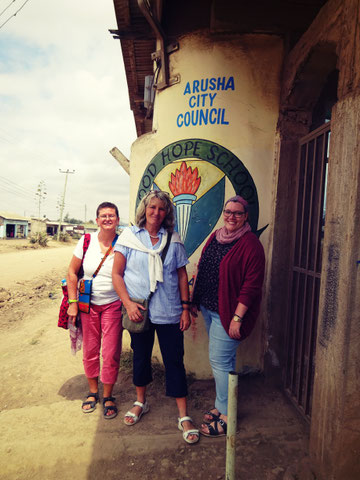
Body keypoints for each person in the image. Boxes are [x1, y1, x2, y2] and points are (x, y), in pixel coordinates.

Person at [112, 190, 199, 444]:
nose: (156, 213)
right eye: (152, 207)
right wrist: (127, 304)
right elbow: (117, 274)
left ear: (167, 213)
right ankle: (141, 401)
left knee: (174, 361)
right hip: (139, 311)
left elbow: (182, 275)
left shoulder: (173, 239)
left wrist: (185, 308)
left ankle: (183, 415)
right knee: (141, 359)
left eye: (161, 209)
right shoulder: (129, 237)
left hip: (170, 311)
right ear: (144, 209)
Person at [191, 195, 265, 437]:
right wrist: (194, 298)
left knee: (219, 362)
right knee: (225, 362)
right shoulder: (216, 236)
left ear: (245, 217)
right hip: (210, 308)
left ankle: (227, 415)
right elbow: (203, 266)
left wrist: (238, 317)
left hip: (229, 314)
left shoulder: (251, 244)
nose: (231, 216)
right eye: (228, 211)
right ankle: (222, 405)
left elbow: (251, 286)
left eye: (237, 213)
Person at [66, 202, 122, 419]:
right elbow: (72, 272)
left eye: (111, 215)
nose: (107, 219)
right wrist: (72, 302)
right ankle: (92, 392)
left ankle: (108, 395)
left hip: (113, 304)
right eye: (103, 216)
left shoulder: (123, 243)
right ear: (97, 220)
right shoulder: (86, 240)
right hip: (87, 305)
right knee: (90, 349)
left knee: (110, 351)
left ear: (117, 219)